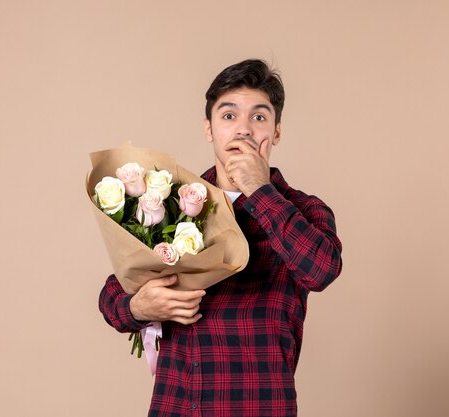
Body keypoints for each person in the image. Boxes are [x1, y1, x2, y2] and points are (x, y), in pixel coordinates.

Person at [99, 59, 343, 417]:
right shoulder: (168, 202)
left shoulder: (303, 210)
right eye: (229, 116)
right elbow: (112, 294)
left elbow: (321, 270)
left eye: (259, 117)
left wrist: (259, 190)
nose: (243, 129)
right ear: (209, 129)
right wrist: (138, 308)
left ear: (276, 132)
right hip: (176, 407)